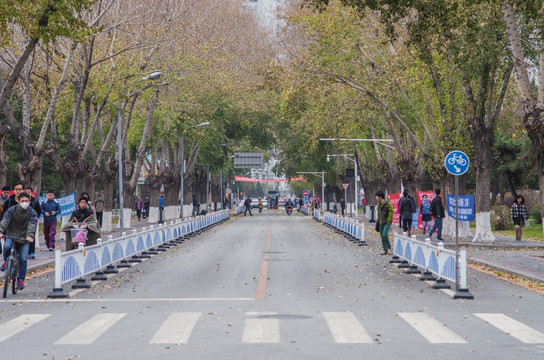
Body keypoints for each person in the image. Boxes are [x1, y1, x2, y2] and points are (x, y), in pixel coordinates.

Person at [0, 192, 38, 290]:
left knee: (23, 258)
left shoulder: (32, 212)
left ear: (29, 201)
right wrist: (1, 232)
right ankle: (6, 262)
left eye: (26, 201)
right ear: (18, 201)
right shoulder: (11, 210)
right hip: (11, 235)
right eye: (22, 201)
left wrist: (29, 236)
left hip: (24, 239)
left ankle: (20, 280)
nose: (24, 203)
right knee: (7, 247)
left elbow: (32, 225)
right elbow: (5, 221)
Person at [24, 186, 41, 259]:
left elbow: (39, 211)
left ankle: (32, 252)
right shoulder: (23, 201)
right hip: (24, 222)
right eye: (26, 192)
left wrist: (35, 218)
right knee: (25, 237)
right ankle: (26, 252)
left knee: (31, 236)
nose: (27, 193)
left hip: (32, 222)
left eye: (29, 192)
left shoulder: (35, 201)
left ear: (31, 193)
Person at [376, 190, 393, 255]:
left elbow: (391, 212)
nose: (376, 198)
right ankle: (385, 249)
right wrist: (378, 217)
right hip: (380, 222)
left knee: (384, 234)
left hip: (386, 222)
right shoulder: (379, 204)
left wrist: (389, 220)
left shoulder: (387, 203)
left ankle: (389, 248)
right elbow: (378, 212)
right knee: (382, 236)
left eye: (377, 196)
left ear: (380, 197)